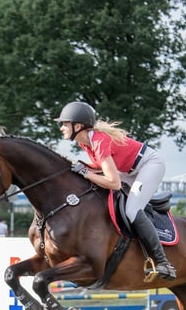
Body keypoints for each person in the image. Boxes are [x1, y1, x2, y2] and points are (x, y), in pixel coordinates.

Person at [56, 101, 176, 280]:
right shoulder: (85, 143)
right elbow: (101, 167)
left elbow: (114, 183)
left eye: (65, 124)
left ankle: (163, 262)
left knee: (132, 210)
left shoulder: (98, 141)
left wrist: (86, 173)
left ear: (78, 126)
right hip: (127, 170)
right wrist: (81, 168)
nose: (61, 128)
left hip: (149, 165)